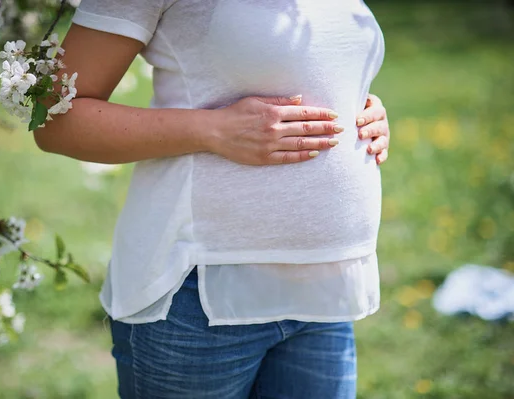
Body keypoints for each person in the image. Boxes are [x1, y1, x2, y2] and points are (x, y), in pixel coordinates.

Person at [34, 0, 390, 397]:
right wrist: (213, 130)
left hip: (324, 291)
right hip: (195, 296)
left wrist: (359, 106)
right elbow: (54, 120)